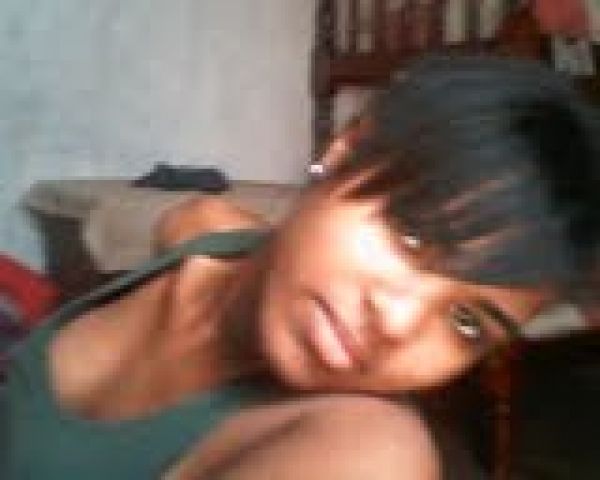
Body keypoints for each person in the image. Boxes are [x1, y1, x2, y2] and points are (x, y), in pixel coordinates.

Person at [2, 55, 599, 479]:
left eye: (467, 322)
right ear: (343, 151)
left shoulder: (365, 453)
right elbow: (192, 218)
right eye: (413, 232)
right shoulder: (206, 235)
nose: (398, 324)